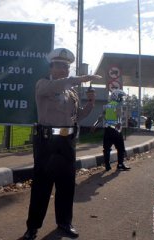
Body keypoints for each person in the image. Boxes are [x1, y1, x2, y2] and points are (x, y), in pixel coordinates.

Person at [22, 48, 102, 240]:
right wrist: (81, 78)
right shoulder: (43, 85)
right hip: (47, 142)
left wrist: (90, 104)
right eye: (61, 65)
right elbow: (58, 86)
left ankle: (64, 223)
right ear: (51, 67)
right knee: (42, 186)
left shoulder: (72, 93)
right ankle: (32, 228)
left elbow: (77, 116)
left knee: (66, 185)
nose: (65, 69)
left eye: (67, 66)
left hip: (67, 142)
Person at [92, 89, 130, 171]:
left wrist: (95, 124)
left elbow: (101, 117)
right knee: (120, 148)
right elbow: (118, 117)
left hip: (108, 130)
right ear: (116, 96)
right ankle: (120, 164)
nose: (122, 99)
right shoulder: (117, 105)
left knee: (107, 149)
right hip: (115, 130)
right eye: (120, 97)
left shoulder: (108, 105)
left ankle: (107, 165)